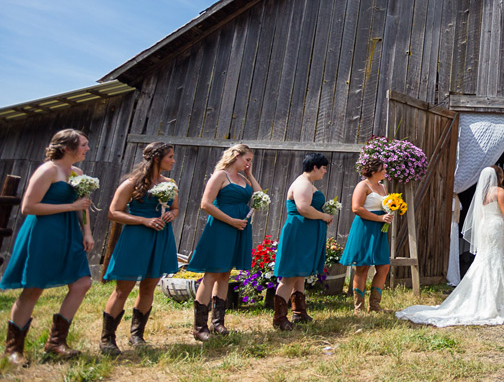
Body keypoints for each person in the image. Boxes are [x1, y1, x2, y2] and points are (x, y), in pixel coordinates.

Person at [2, 129, 95, 365]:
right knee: (34, 287)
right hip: (44, 231)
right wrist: (70, 208)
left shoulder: (77, 172)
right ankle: (13, 349)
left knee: (83, 282)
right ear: (67, 148)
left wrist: (87, 231)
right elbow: (28, 207)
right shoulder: (48, 170)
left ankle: (56, 342)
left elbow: (83, 205)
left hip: (71, 232)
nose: (86, 149)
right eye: (83, 145)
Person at [395, 166, 504, 327]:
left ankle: (482, 297)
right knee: (495, 258)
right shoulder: (499, 192)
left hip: (485, 227)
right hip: (496, 227)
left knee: (485, 259)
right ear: (499, 177)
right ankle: (495, 302)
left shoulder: (482, 194)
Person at [100, 142, 180, 355]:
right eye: (170, 156)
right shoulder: (131, 183)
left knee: (149, 287)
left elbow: (176, 207)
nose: (173, 160)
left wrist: (172, 213)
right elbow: (113, 212)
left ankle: (137, 335)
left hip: (160, 237)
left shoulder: (170, 183)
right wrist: (143, 221)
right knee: (122, 289)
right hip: (136, 237)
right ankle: (107, 339)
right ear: (156, 158)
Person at [188, 143, 260, 340]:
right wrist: (230, 221)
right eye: (247, 159)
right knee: (212, 273)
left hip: (239, 229)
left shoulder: (244, 178)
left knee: (225, 274)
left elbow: (260, 196)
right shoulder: (220, 175)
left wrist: (251, 174)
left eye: (250, 161)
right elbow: (205, 204)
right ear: (236, 155)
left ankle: (218, 322)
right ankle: (199, 326)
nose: (248, 163)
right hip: (222, 227)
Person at [271, 153, 333, 330]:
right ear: (314, 167)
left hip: (305, 232)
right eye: (323, 168)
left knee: (299, 274)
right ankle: (279, 318)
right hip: (298, 232)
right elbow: (303, 208)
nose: (324, 172)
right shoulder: (302, 184)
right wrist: (324, 215)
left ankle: (299, 312)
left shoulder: (308, 184)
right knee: (290, 275)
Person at [340, 157, 393, 312]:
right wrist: (378, 217)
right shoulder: (362, 186)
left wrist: (390, 212)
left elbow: (385, 205)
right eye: (383, 169)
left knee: (383, 266)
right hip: (364, 227)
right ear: (375, 171)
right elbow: (356, 208)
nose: (385, 171)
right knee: (362, 267)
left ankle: (375, 305)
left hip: (379, 229)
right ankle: (359, 307)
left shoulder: (383, 187)